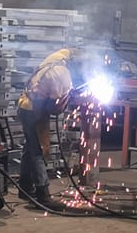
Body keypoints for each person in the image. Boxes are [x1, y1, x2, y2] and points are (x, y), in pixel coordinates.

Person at [16, 47, 88, 206]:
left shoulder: (56, 58)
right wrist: (69, 98)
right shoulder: (61, 72)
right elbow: (54, 107)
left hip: (26, 106)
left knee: (30, 148)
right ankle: (43, 195)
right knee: (38, 151)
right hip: (33, 110)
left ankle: (25, 188)